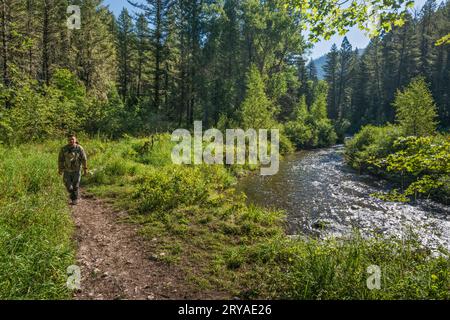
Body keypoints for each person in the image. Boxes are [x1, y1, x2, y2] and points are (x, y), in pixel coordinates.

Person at [58, 134, 88, 205]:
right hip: (67, 170)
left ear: (75, 140)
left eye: (72, 139)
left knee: (76, 185)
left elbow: (84, 159)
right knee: (68, 186)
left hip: (77, 170)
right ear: (67, 140)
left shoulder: (79, 148)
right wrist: (60, 169)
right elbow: (60, 160)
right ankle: (72, 195)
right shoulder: (63, 149)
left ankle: (74, 199)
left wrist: (85, 169)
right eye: (69, 139)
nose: (71, 141)